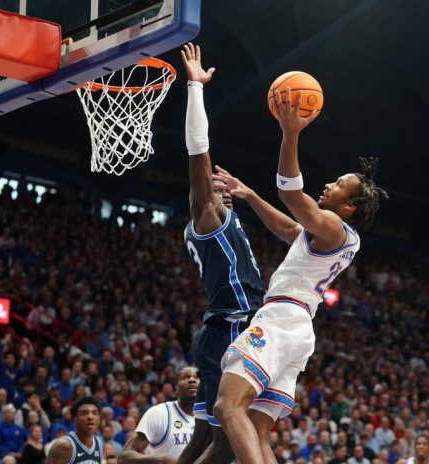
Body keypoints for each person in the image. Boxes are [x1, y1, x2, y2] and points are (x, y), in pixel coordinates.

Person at [211, 87, 387, 464]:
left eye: (338, 185)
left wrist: (290, 134)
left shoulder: (333, 227)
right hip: (297, 327)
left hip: (281, 320)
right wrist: (249, 195)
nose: (329, 185)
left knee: (227, 406)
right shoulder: (332, 234)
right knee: (256, 429)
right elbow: (290, 229)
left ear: (349, 206)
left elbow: (291, 195)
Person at [174, 43, 266, 464]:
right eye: (213, 185)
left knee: (205, 439)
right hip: (231, 325)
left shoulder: (226, 219)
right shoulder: (208, 217)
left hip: (228, 326)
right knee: (226, 445)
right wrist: (195, 89)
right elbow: (198, 151)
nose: (220, 186)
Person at [119, 367, 198, 463]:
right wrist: (159, 460)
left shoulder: (209, 417)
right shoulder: (159, 413)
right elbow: (124, 457)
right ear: (176, 389)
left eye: (197, 377)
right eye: (185, 377)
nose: (192, 380)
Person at [45, 397, 103, 464]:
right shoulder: (64, 445)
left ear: (99, 420)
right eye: (84, 413)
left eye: (94, 413)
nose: (90, 417)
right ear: (75, 419)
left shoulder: (99, 443)